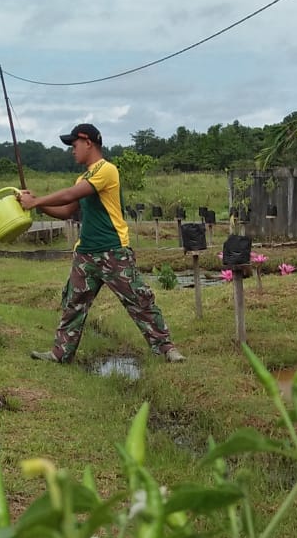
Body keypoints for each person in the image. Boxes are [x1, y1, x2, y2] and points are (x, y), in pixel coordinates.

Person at [18, 123, 185, 364]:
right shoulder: (82, 176)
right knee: (72, 306)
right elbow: (67, 210)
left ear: (88, 143)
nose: (72, 150)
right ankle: (59, 353)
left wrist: (35, 202)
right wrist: (37, 203)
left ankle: (167, 349)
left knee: (139, 300)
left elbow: (72, 195)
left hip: (113, 250)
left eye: (74, 145)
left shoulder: (107, 170)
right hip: (85, 254)